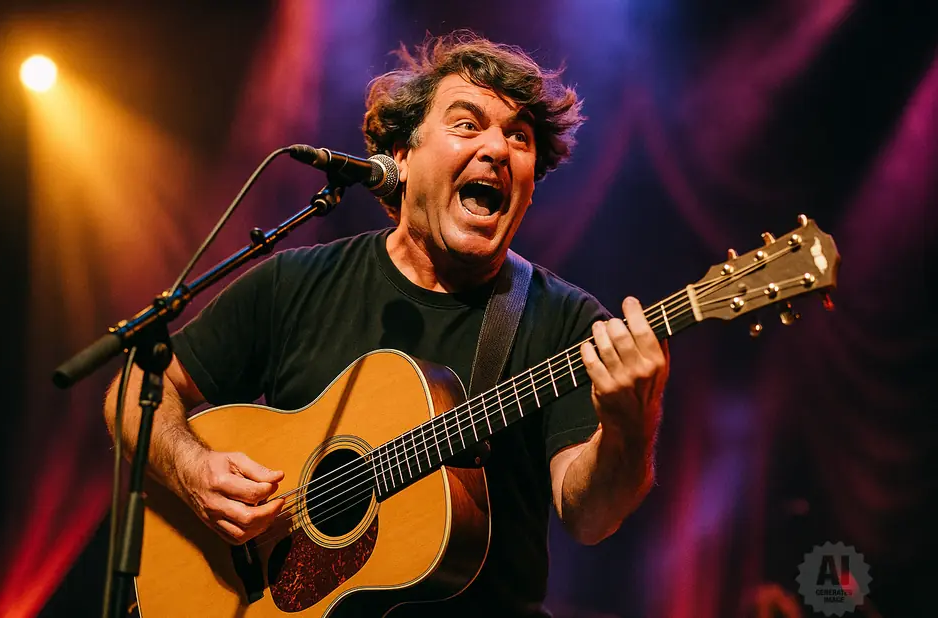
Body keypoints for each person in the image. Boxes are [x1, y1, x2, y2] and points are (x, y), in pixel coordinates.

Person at [104, 30, 669, 617]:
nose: (498, 150)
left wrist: (631, 425)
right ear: (400, 155)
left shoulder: (567, 321)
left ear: (530, 185)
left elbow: (593, 518)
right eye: (468, 124)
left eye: (519, 137)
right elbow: (135, 391)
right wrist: (194, 469)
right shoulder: (294, 283)